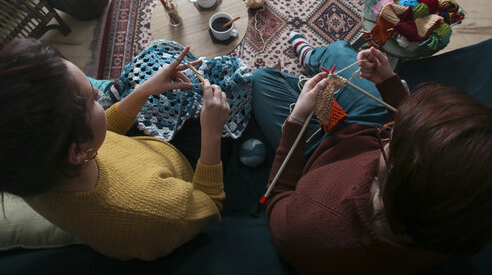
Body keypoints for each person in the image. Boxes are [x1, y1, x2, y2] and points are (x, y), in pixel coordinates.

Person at [251, 33, 492, 274]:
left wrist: (296, 121)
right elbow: (419, 141)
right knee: (340, 51)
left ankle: (310, 67)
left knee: (262, 78)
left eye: (394, 140)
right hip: (370, 125)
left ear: (397, 177)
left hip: (315, 157)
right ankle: (311, 56)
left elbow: (278, 199)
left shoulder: (313, 225)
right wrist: (388, 83)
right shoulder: (457, 218)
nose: (391, 135)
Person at [0, 38, 230, 261]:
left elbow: (104, 136)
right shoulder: (157, 212)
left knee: (156, 58)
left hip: (152, 156)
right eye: (92, 100)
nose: (100, 93)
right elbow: (209, 203)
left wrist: (142, 91)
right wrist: (211, 133)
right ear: (77, 152)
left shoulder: (30, 169)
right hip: (190, 182)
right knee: (252, 83)